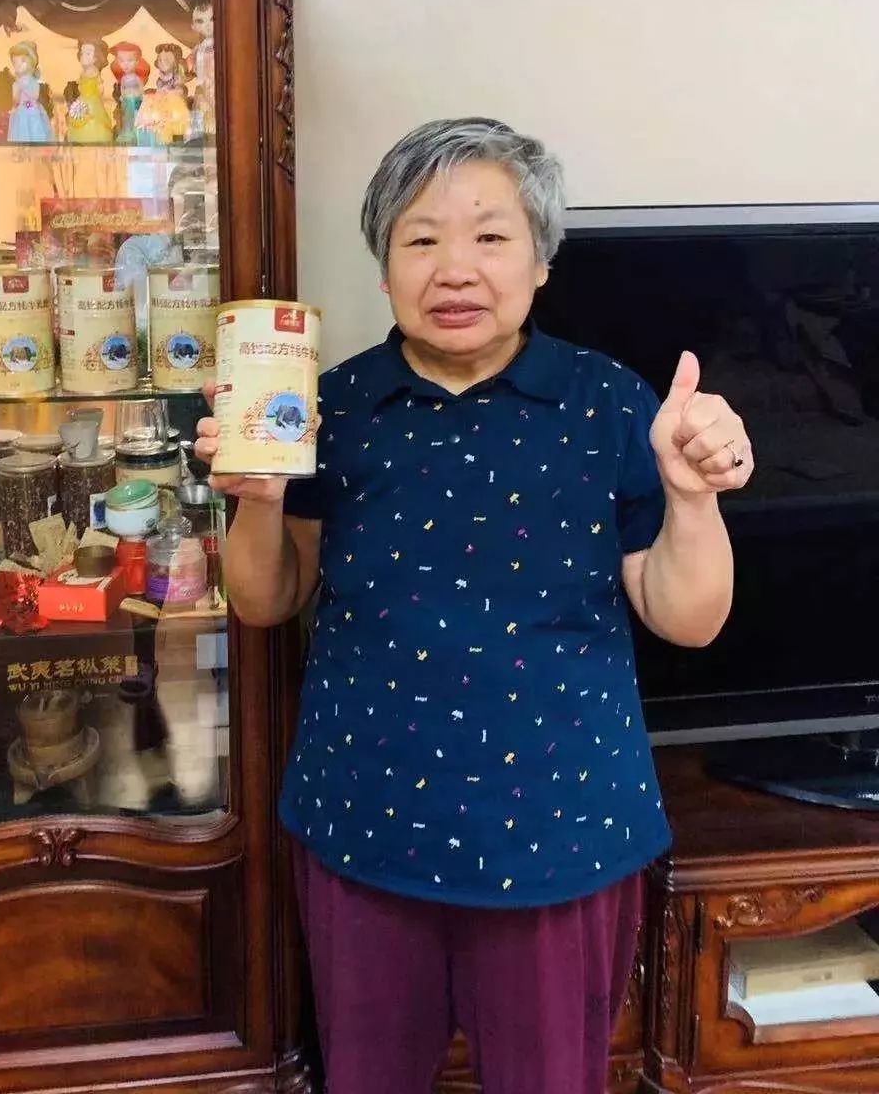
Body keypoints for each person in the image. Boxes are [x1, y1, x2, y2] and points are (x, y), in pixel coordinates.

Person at [195, 118, 753, 1094]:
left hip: (561, 834)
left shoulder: (609, 404)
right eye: (421, 239)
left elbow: (688, 618)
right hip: (364, 824)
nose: (455, 268)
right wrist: (260, 500)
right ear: (384, 270)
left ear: (541, 262)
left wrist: (693, 497)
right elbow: (266, 599)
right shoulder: (331, 406)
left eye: (491, 236)